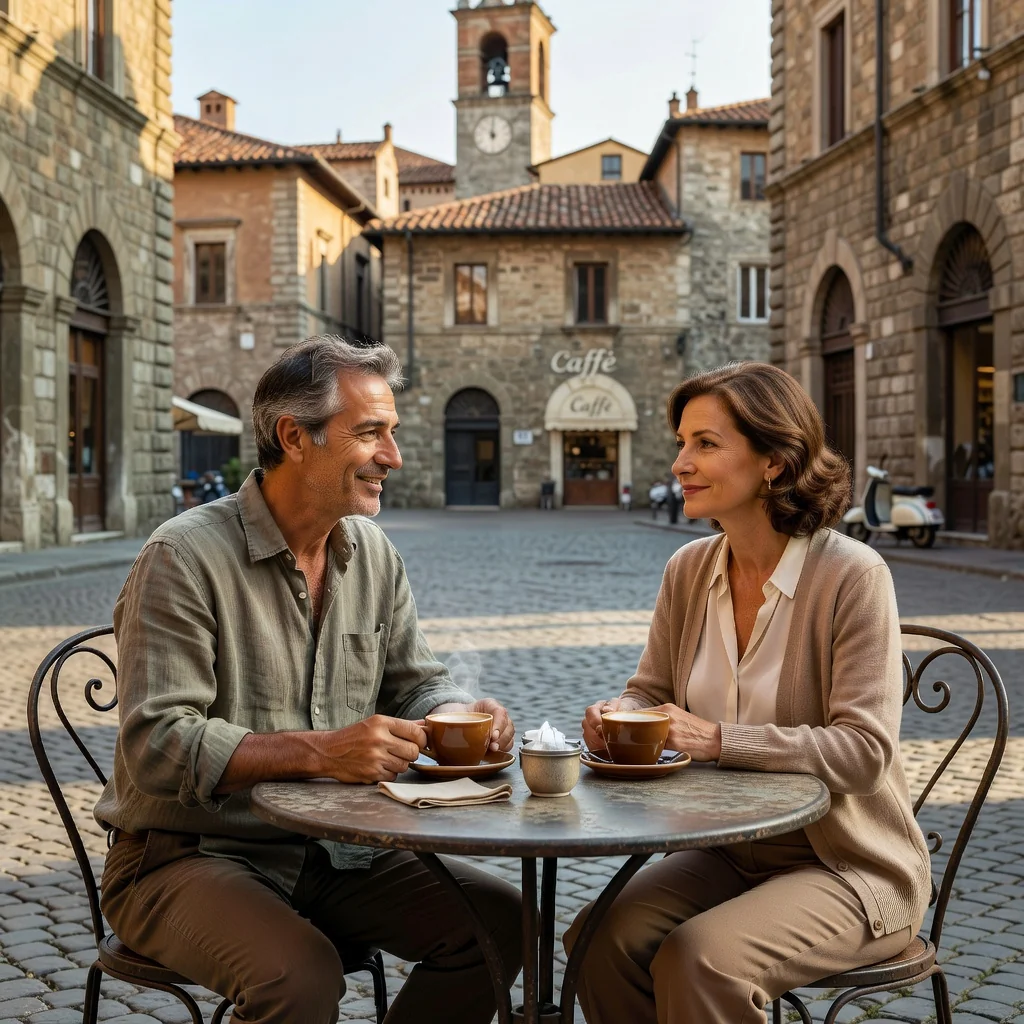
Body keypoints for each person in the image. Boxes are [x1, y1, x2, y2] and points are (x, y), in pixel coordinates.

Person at [95, 335, 522, 1024]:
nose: (394, 456)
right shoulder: (183, 555)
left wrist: (458, 712)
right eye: (371, 434)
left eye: (394, 433)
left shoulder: (373, 554)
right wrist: (322, 751)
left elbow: (416, 683)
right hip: (186, 855)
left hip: (335, 852)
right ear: (295, 437)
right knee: (301, 976)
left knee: (501, 922)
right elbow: (157, 745)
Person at [567, 362, 931, 1024]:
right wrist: (620, 718)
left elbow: (864, 752)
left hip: (849, 866)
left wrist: (714, 740)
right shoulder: (688, 569)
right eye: (682, 442)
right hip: (724, 852)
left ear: (775, 461)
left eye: (706, 444)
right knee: (597, 936)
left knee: (699, 957)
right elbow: (649, 691)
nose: (681, 463)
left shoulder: (852, 576)